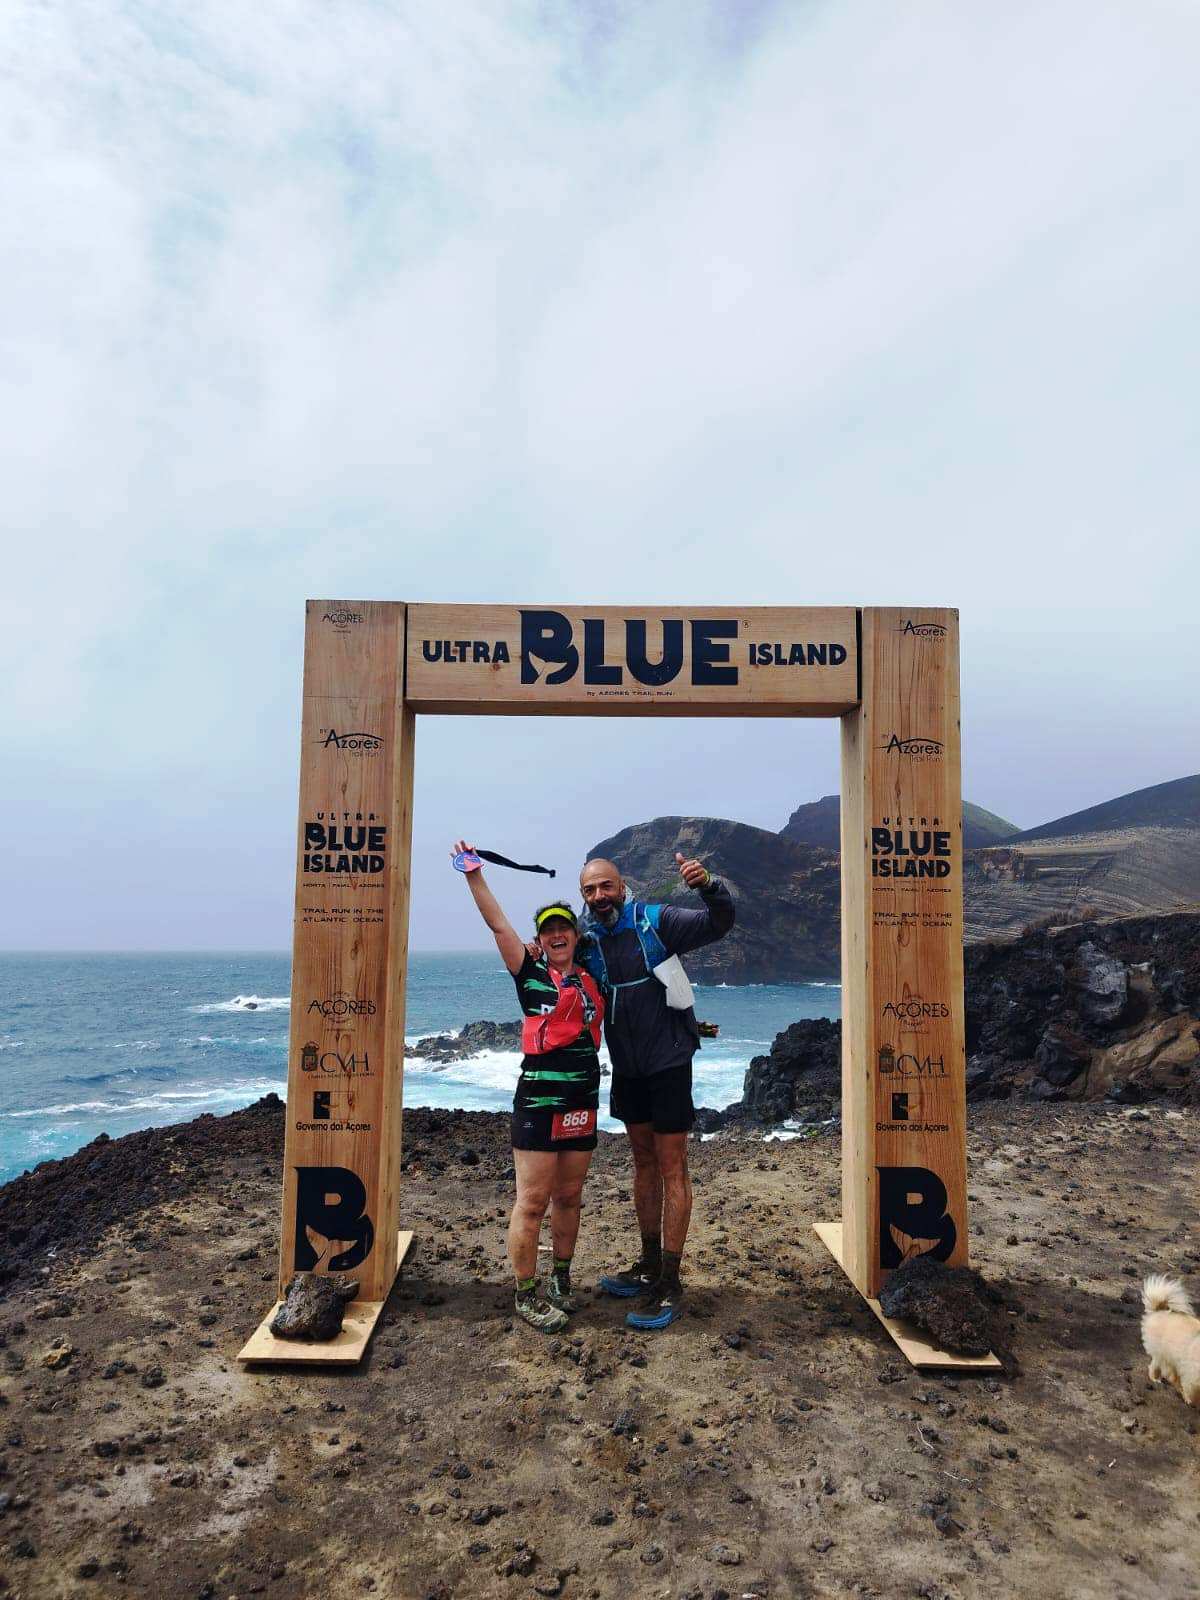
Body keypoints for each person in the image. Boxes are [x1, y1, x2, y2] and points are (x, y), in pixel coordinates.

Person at [576, 849, 735, 1330]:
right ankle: (647, 1265)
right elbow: (552, 967)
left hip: (668, 1064)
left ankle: (670, 1279)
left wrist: (707, 884)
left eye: (606, 886)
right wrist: (541, 950)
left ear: (622, 887)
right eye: (589, 890)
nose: (599, 896)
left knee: (672, 1167)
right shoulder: (588, 943)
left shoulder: (655, 920)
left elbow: (720, 922)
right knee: (642, 1162)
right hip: (626, 1069)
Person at [452, 839, 604, 1334]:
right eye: (548, 929)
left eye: (564, 927)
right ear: (541, 938)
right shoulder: (529, 971)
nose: (556, 934)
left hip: (583, 1101)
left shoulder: (590, 977)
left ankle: (561, 1280)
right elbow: (498, 924)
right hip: (538, 1103)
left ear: (576, 935)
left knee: (571, 1197)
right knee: (533, 1200)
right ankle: (525, 1294)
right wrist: (474, 872)